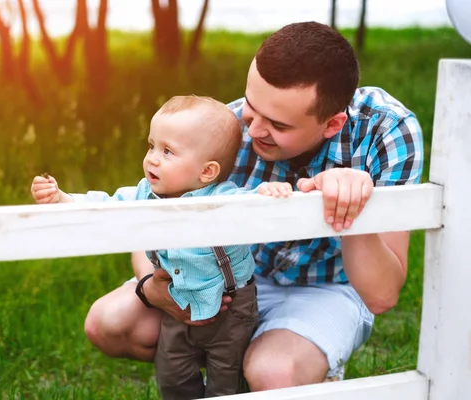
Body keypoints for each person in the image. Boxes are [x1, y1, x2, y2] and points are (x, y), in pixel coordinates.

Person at [82, 21, 424, 392]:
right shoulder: (224, 127)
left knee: (272, 373)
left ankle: (283, 370)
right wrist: (152, 285)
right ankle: (238, 366)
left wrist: (351, 209)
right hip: (231, 276)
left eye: (277, 124)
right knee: (108, 322)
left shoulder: (387, 130)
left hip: (327, 287)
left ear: (332, 124)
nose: (253, 129)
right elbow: (154, 211)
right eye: (251, 105)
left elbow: (382, 295)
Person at [30, 95, 293, 398]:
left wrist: (267, 192)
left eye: (167, 151)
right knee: (172, 374)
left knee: (227, 380)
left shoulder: (223, 198)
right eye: (151, 146)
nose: (152, 158)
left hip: (230, 307)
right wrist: (63, 198)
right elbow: (106, 204)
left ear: (206, 172)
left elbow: (251, 203)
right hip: (177, 301)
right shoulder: (145, 195)